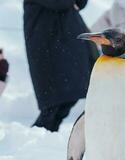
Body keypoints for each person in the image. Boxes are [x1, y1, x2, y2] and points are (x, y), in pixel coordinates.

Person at [23, 0, 98, 132]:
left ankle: (44, 137)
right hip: (48, 47)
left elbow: (80, 3)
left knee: (68, 97)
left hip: (65, 45)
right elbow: (60, 3)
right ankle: (36, 137)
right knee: (54, 103)